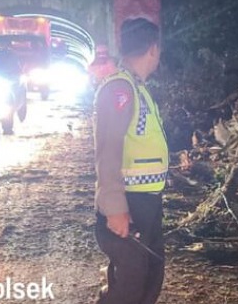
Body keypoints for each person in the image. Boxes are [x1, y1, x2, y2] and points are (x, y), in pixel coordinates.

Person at [93, 18, 168, 304]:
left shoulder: (137, 88)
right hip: (129, 202)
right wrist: (115, 209)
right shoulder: (120, 89)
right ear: (153, 49)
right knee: (130, 289)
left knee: (148, 278)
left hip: (146, 202)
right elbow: (108, 151)